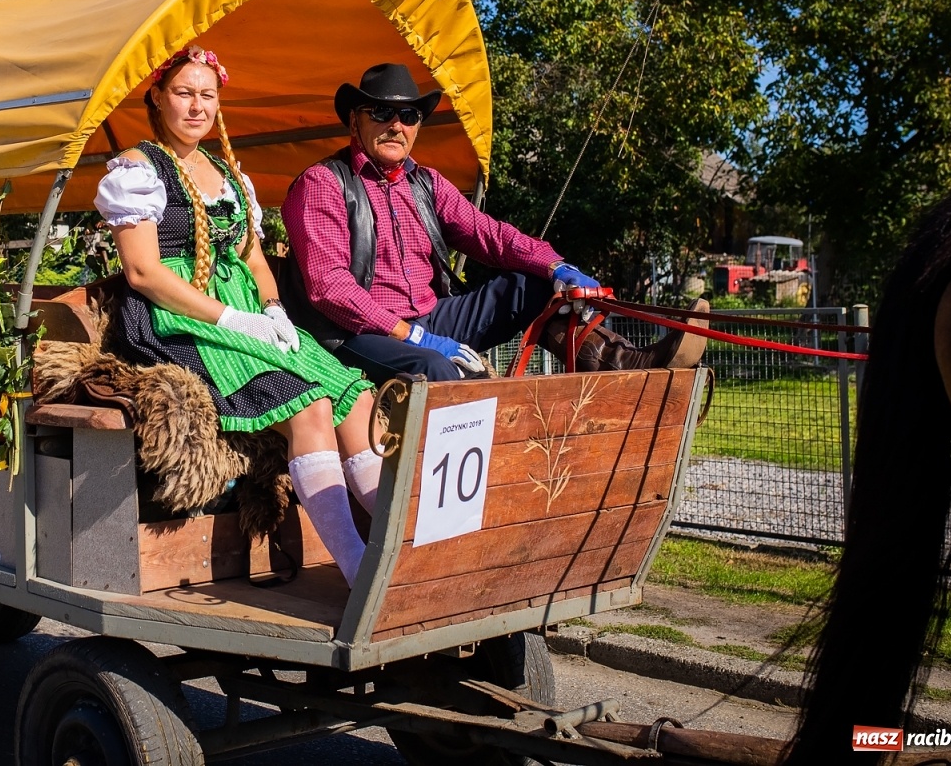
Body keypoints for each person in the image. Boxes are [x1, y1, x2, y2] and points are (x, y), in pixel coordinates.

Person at [95, 44, 382, 585]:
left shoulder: (225, 170)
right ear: (157, 97)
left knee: (356, 397)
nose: (197, 106)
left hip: (249, 312)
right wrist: (229, 319)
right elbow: (142, 274)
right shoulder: (138, 167)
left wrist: (272, 309)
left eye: (208, 95)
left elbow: (252, 256)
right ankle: (357, 567)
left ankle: (401, 547)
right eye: (184, 93)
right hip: (179, 319)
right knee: (310, 407)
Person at [282, 63, 706, 384]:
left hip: (429, 317)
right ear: (354, 120)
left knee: (534, 286)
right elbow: (330, 287)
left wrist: (556, 266)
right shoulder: (322, 183)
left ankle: (623, 363)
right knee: (433, 364)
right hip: (355, 334)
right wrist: (411, 337)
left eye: (410, 116)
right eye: (381, 112)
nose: (397, 125)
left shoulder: (425, 182)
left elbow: (490, 235)